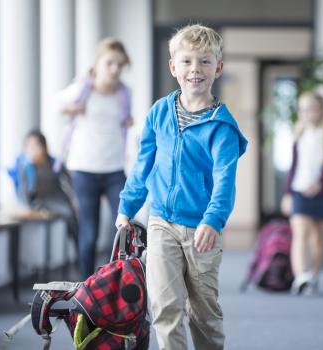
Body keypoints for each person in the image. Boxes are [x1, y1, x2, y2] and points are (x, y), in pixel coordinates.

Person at [115, 24, 248, 350]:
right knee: (164, 306)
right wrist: (126, 208)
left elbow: (224, 181)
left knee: (203, 312)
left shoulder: (222, 126)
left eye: (204, 62)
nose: (195, 70)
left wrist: (213, 220)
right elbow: (143, 164)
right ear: (173, 67)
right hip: (161, 222)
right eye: (187, 61)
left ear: (218, 68)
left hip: (202, 229)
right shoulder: (160, 112)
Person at [57, 38, 133, 280]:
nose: (115, 69)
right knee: (89, 234)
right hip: (84, 169)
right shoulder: (82, 88)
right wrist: (71, 108)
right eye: (109, 63)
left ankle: (116, 284)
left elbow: (126, 123)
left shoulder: (124, 93)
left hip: (114, 170)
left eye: (120, 65)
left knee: (122, 228)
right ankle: (85, 287)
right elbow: (56, 103)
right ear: (97, 63)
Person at [281, 92, 323, 295]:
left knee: (318, 238)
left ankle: (313, 277)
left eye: (311, 108)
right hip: (299, 191)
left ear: (322, 110)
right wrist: (288, 193)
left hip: (322, 193)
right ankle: (301, 277)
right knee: (300, 234)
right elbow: (293, 167)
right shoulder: (299, 135)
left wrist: (320, 184)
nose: (306, 113)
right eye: (303, 109)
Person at [18, 130, 78, 249]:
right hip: (39, 202)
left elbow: (69, 180)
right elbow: (24, 190)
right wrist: (27, 206)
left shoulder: (54, 163)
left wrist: (75, 198)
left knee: (69, 213)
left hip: (58, 199)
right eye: (28, 147)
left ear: (44, 146)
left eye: (34, 146)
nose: (31, 150)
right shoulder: (28, 168)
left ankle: (77, 246)